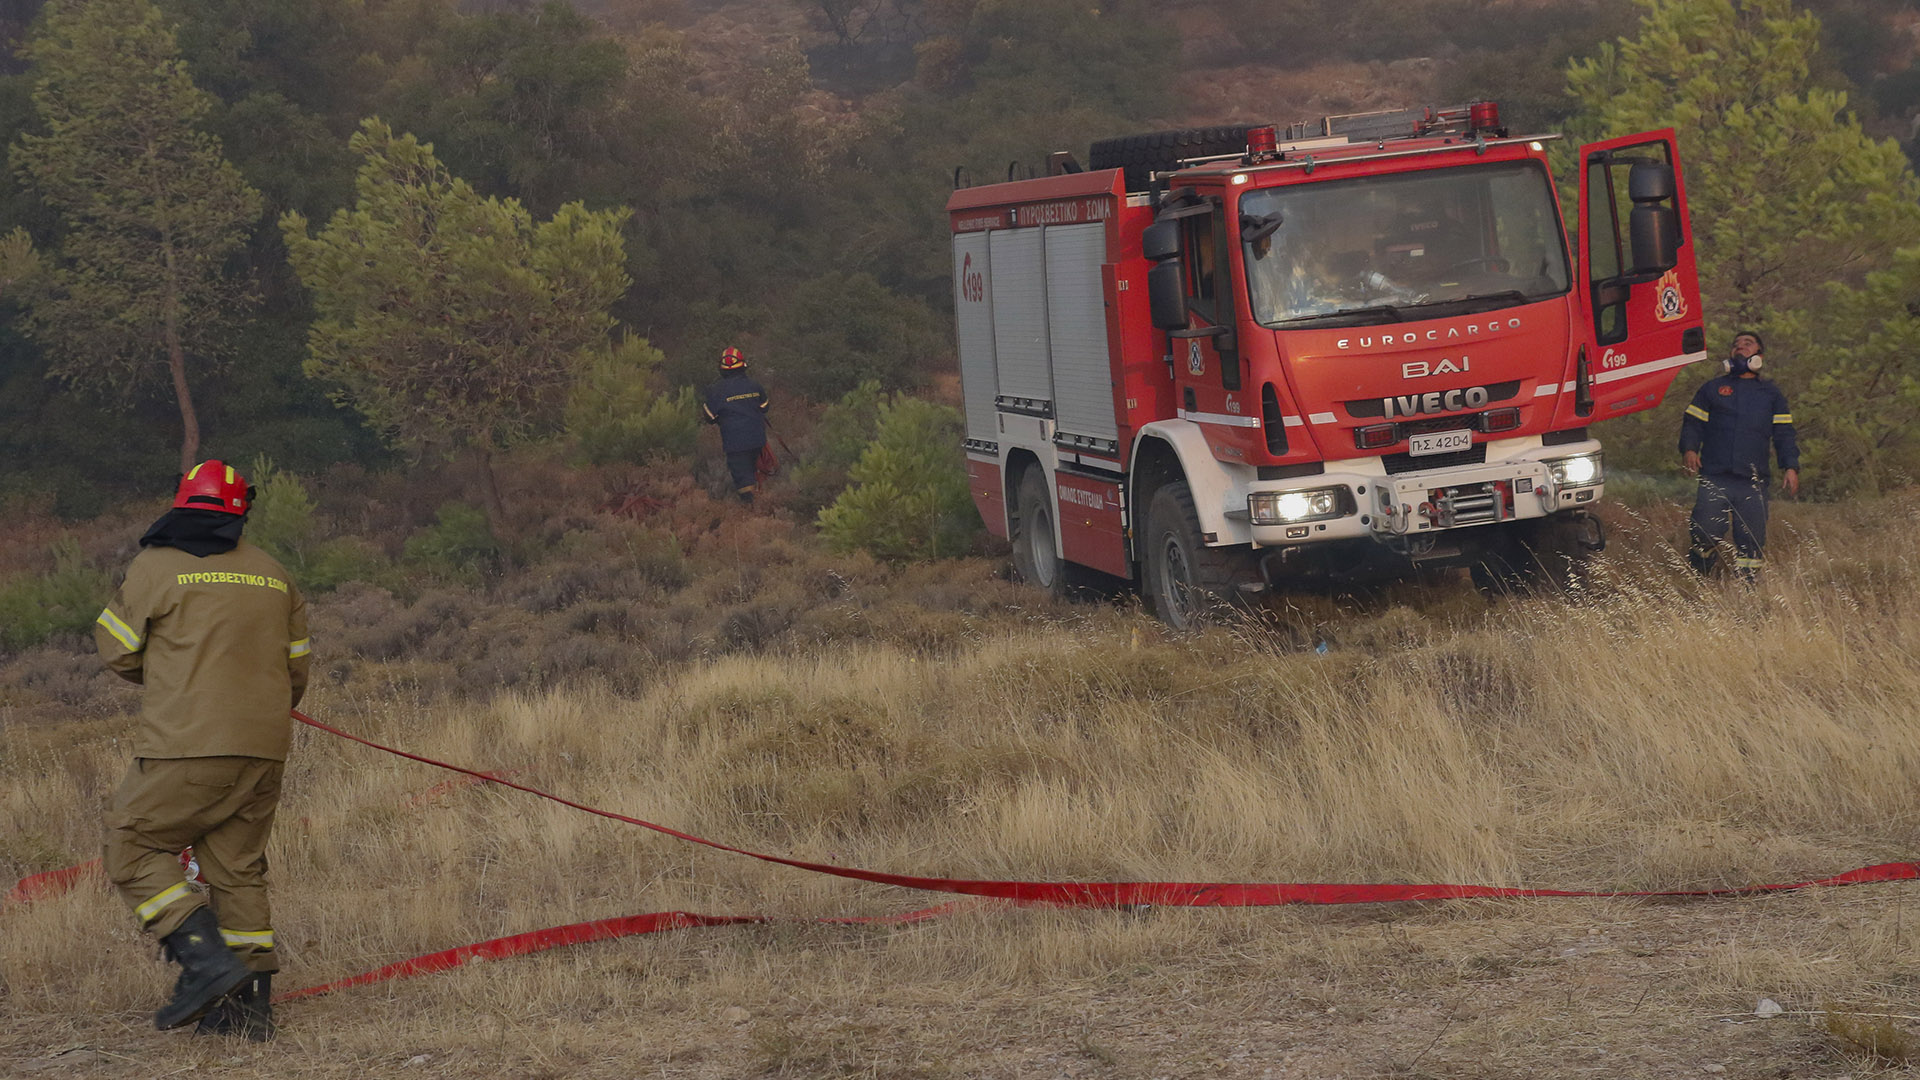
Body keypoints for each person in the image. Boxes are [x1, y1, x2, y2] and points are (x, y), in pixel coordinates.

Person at [93, 460, 309, 1040]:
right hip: (263, 747)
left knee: (132, 842)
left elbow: (117, 650)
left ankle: (205, 961)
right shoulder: (272, 571)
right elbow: (297, 668)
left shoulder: (155, 566)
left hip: (187, 743)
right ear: (239, 511)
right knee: (237, 868)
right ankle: (247, 1012)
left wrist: (176, 674)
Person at [1678, 331, 1800, 577]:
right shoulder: (1712, 389)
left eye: (1747, 344)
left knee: (1751, 540)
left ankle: (1748, 592)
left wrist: (1790, 466)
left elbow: (1784, 434)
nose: (1740, 348)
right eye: (1736, 345)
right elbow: (1693, 423)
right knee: (1705, 531)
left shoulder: (1771, 394)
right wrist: (1690, 449)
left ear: (1759, 355)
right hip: (1715, 476)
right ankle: (1700, 576)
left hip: (1752, 480)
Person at [702, 346, 771, 505]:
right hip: (757, 439)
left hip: (735, 443)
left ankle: (752, 509)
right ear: (743, 365)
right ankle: (760, 500)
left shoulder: (716, 390)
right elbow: (765, 407)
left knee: (743, 476)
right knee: (753, 469)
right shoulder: (755, 385)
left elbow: (709, 417)